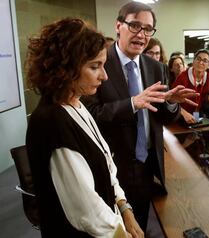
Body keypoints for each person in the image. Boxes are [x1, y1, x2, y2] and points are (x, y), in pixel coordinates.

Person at [83, 2, 198, 232]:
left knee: (141, 226)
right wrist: (133, 103)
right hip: (113, 167)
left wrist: (171, 103)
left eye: (147, 29)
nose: (141, 34)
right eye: (135, 25)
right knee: (115, 230)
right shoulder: (100, 63)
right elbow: (92, 115)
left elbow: (161, 117)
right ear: (118, 25)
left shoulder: (155, 67)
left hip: (147, 165)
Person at [25, 18, 142, 237]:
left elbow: (107, 166)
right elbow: (87, 212)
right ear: (65, 68)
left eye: (103, 65)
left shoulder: (77, 103)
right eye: (94, 66)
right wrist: (122, 233)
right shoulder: (52, 122)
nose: (104, 76)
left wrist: (124, 207)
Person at [172, 49, 209, 125]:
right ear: (193, 61)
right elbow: (171, 100)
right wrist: (184, 113)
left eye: (205, 60)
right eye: (198, 59)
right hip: (179, 114)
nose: (201, 62)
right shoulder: (183, 77)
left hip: (196, 114)